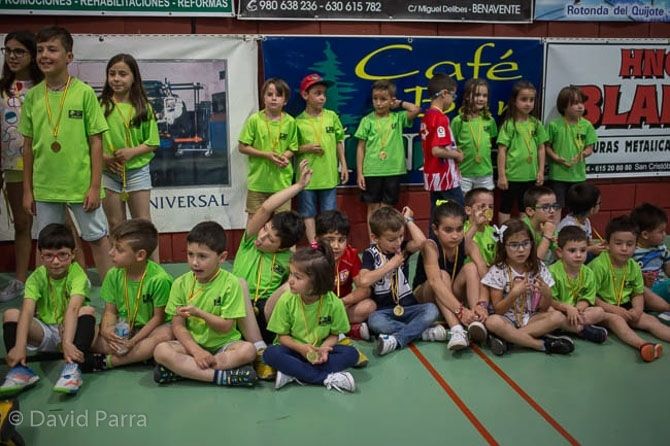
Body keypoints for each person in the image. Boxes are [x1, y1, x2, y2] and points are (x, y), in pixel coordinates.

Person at [19, 26, 112, 279]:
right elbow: (27, 146)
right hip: (45, 186)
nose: (44, 55)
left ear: (69, 57)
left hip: (81, 185)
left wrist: (95, 186)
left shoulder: (84, 93)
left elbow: (96, 142)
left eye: (52, 49)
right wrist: (27, 190)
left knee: (97, 238)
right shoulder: (33, 97)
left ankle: (113, 296)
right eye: (40, 50)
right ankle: (48, 296)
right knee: (47, 244)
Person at [231, 160, 310, 381]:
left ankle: (328, 338)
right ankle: (260, 353)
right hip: (239, 310)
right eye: (264, 229)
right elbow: (266, 208)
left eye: (271, 239)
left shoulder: (287, 259)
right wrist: (299, 186)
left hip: (267, 312)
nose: (262, 237)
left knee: (293, 284)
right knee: (238, 284)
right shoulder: (249, 242)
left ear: (283, 247)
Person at [153, 221, 258, 386]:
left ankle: (184, 372)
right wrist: (196, 351)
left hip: (224, 345)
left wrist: (199, 313)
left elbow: (226, 327)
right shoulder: (180, 283)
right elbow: (178, 326)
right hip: (191, 346)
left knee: (248, 351)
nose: (195, 262)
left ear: (222, 257)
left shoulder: (231, 283)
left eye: (202, 256)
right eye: (190, 254)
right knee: (161, 351)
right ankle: (222, 377)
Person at [0, 224, 96, 395]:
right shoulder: (36, 277)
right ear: (41, 255)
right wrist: (20, 346)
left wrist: (67, 342)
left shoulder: (78, 275)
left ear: (73, 254)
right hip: (45, 332)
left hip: (70, 330)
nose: (56, 261)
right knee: (11, 313)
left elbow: (73, 308)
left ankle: (72, 369)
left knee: (86, 311)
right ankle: (20, 370)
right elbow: (27, 312)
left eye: (62, 255)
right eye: (49, 256)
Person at [263, 243, 359, 392]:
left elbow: (335, 335)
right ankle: (325, 378)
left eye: (297, 277)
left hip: (319, 351)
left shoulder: (334, 303)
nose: (290, 281)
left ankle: (294, 373)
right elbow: (282, 337)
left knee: (351, 354)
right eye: (291, 274)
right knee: (270, 353)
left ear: (316, 282)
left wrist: (324, 349)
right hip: (294, 350)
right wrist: (301, 349)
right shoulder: (286, 300)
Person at [356, 206, 444, 356]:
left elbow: (422, 242)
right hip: (384, 311)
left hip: (409, 308)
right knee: (375, 322)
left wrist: (408, 220)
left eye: (401, 236)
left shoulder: (402, 248)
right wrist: (391, 265)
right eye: (391, 239)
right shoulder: (370, 254)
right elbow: (364, 280)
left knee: (431, 310)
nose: (398, 242)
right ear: (375, 238)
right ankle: (422, 332)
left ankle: (397, 339)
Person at [88, 219, 173, 371]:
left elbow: (158, 318)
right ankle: (141, 356)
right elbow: (110, 311)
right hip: (125, 327)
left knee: (164, 336)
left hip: (150, 329)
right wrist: (107, 330)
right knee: (89, 333)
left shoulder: (159, 279)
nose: (110, 253)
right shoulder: (113, 274)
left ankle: (109, 361)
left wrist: (133, 341)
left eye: (119, 249)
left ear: (140, 255)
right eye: (112, 246)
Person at [482, 219, 574, 356]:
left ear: (532, 244)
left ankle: (510, 340)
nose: (521, 250)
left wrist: (547, 294)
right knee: (492, 322)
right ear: (503, 246)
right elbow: (498, 310)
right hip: (507, 319)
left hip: (531, 318)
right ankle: (541, 345)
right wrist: (514, 293)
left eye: (525, 244)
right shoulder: (498, 270)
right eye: (514, 245)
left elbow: (543, 308)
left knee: (558, 317)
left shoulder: (538, 267)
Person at [99, 54, 160, 253]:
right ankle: (121, 267)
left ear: (134, 77)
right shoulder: (99, 106)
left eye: (123, 74)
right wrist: (105, 159)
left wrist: (132, 152)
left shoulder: (143, 107)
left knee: (143, 223)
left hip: (137, 171)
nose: (116, 79)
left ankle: (153, 268)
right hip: (108, 172)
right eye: (112, 74)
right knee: (116, 224)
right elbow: (89, 141)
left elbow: (153, 142)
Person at [0, 31, 43, 302]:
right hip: (14, 165)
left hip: (46, 164)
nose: (12, 56)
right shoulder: (2, 88)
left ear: (32, 55)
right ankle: (20, 280)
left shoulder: (44, 87)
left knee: (59, 221)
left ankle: (75, 274)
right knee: (22, 223)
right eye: (8, 50)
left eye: (19, 51)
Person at [590, 216, 668, 362]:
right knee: (617, 321)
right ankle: (644, 346)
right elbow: (591, 297)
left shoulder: (633, 266)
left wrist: (637, 310)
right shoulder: (598, 266)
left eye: (630, 244)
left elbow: (638, 293)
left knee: (650, 320)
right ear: (607, 244)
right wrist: (614, 310)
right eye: (618, 243)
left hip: (625, 306)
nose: (624, 248)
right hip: (602, 308)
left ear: (636, 245)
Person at [413, 201, 488, 352]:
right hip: (426, 297)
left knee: (471, 268)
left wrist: (482, 304)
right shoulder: (431, 247)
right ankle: (457, 330)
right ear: (435, 229)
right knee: (442, 275)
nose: (455, 235)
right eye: (448, 230)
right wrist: (461, 311)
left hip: (451, 297)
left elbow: (485, 276)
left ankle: (475, 320)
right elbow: (434, 282)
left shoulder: (468, 244)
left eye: (459, 229)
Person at [355, 80, 420, 236]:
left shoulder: (397, 118)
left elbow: (416, 109)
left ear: (391, 100)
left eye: (383, 99)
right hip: (372, 170)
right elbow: (361, 147)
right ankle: (373, 242)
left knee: (387, 209)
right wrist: (360, 173)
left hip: (393, 170)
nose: (378, 103)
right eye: (375, 99)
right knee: (372, 208)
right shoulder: (367, 120)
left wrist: (400, 103)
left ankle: (384, 240)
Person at [295, 73, 348, 242]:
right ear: (305, 95)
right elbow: (291, 148)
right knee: (308, 213)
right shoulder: (297, 122)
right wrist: (307, 148)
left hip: (329, 175)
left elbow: (339, 141)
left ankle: (328, 245)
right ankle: (313, 246)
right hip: (307, 177)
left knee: (329, 214)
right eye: (317, 93)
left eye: (324, 93)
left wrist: (343, 165)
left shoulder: (331, 116)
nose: (322, 97)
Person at [238, 78, 298, 219]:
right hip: (258, 183)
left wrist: (284, 157)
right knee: (254, 223)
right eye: (269, 94)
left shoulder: (291, 122)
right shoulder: (255, 120)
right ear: (263, 98)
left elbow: (293, 147)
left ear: (285, 100)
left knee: (283, 224)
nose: (274, 98)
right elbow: (242, 147)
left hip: (282, 184)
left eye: (278, 95)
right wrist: (266, 155)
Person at [315, 210, 375, 338]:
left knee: (369, 306)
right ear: (317, 240)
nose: (336, 246)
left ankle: (332, 328)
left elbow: (364, 290)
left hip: (341, 305)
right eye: (330, 240)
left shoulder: (351, 255)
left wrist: (341, 302)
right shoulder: (311, 257)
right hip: (316, 307)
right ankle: (347, 330)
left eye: (341, 240)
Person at [496, 80, 549, 224]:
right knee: (506, 206)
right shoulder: (509, 124)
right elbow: (502, 150)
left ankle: (526, 232)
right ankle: (503, 233)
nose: (528, 104)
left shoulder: (536, 124)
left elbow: (541, 148)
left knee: (526, 207)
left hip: (530, 175)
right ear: (514, 101)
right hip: (512, 175)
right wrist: (502, 175)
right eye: (524, 99)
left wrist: (541, 171)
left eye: (531, 100)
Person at [549, 226, 608, 342]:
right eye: (572, 251)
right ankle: (580, 329)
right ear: (560, 252)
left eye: (583, 250)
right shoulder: (552, 272)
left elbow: (587, 298)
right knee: (549, 311)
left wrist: (576, 310)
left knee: (599, 312)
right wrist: (568, 308)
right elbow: (550, 301)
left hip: (577, 312)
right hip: (558, 310)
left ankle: (566, 327)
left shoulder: (589, 273)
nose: (578, 255)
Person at [545, 86, 597, 207]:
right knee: (556, 208)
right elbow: (546, 146)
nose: (580, 106)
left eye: (581, 103)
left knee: (578, 208)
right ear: (564, 106)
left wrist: (584, 153)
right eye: (575, 103)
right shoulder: (554, 125)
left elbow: (590, 148)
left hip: (578, 176)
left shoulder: (587, 125)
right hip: (558, 176)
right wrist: (556, 158)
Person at [420, 73, 464, 217]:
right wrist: (457, 154)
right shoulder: (440, 118)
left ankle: (433, 233)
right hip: (445, 177)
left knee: (437, 215)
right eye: (453, 96)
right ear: (444, 93)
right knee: (457, 213)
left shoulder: (427, 116)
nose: (452, 100)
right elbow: (437, 150)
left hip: (433, 176)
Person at [450, 78, 497, 194]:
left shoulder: (490, 120)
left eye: (484, 96)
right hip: (464, 172)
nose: (481, 99)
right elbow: (452, 146)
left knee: (485, 203)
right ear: (467, 96)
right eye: (477, 95)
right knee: (464, 203)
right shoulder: (458, 121)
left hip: (485, 173)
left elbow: (491, 142)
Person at [630, 203, 670, 319]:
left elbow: (668, 270)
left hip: (662, 287)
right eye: (661, 231)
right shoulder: (632, 251)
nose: (665, 234)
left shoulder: (661, 248)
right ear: (645, 234)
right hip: (645, 292)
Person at [556, 182, 607, 260]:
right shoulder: (569, 226)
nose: (600, 205)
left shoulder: (586, 221)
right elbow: (570, 250)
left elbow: (588, 242)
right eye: (599, 203)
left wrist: (599, 246)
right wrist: (592, 249)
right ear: (591, 209)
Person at [522, 186, 560, 264]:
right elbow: (535, 263)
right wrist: (547, 236)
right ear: (530, 211)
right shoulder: (521, 229)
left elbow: (560, 257)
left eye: (554, 206)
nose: (552, 211)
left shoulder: (549, 225)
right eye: (545, 207)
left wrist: (554, 243)